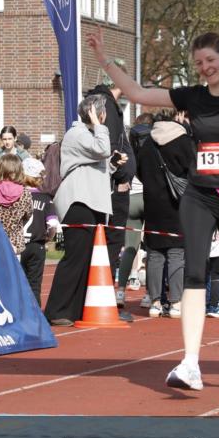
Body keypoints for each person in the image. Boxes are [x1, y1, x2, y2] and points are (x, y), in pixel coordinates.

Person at [87, 22, 219, 392]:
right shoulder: (193, 97)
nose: (205, 67)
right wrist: (103, 59)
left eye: (210, 59)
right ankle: (190, 362)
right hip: (199, 195)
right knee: (193, 275)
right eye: (198, 62)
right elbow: (136, 92)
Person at [44, 94, 113, 327]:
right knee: (75, 257)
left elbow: (97, 160)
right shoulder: (79, 133)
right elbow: (102, 150)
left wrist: (114, 164)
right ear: (97, 114)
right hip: (79, 202)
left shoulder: (87, 134)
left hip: (89, 201)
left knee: (85, 258)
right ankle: (56, 309)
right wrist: (99, 126)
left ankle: (75, 309)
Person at [83, 79, 136, 309]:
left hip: (112, 184)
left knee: (111, 240)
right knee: (112, 240)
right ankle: (103, 295)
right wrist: (122, 177)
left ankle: (103, 292)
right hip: (113, 188)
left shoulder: (108, 104)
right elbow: (111, 145)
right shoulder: (108, 106)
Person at [136, 110, 192, 319]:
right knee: (176, 252)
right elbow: (193, 170)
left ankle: (155, 301)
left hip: (152, 202)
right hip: (177, 203)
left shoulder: (147, 143)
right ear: (176, 117)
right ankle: (176, 301)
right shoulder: (183, 141)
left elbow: (139, 172)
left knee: (155, 254)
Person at [117, 111, 154, 307]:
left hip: (131, 200)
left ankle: (121, 291)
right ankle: (149, 294)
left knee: (130, 248)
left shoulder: (127, 148)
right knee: (152, 249)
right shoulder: (153, 147)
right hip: (149, 199)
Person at [20, 157, 56, 305]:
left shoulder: (17, 196)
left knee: (18, 281)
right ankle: (35, 316)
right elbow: (53, 225)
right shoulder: (45, 198)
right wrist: (49, 237)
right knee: (34, 283)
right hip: (37, 245)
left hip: (18, 244)